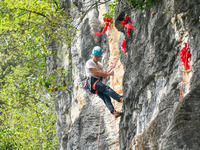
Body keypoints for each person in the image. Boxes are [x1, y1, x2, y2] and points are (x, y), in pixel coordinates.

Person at [85, 46, 124, 118]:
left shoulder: (100, 65)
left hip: (96, 83)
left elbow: (104, 76)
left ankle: (114, 112)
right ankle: (120, 98)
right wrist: (108, 74)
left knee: (106, 97)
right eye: (96, 56)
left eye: (99, 56)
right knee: (106, 89)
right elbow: (96, 73)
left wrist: (108, 72)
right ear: (93, 55)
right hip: (92, 82)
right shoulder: (89, 63)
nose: (98, 58)